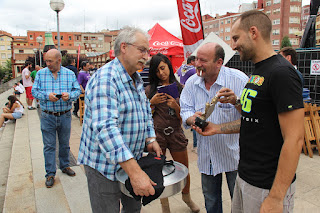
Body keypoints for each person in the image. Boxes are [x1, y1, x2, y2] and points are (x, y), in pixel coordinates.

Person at [194, 10, 304, 213]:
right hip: (245, 177)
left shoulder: (282, 73)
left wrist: (276, 196)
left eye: (235, 38)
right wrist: (217, 127)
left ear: (253, 32)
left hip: (267, 186)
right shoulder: (258, 71)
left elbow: (295, 139)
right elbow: (254, 120)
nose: (233, 45)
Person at [77, 27, 162, 213]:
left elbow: (145, 111)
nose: (146, 56)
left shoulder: (136, 78)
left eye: (147, 51)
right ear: (124, 47)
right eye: (142, 50)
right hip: (103, 167)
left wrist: (150, 138)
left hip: (132, 162)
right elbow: (106, 128)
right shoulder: (106, 79)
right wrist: (136, 172)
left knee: (133, 209)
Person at [180, 42, 248, 213]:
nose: (197, 64)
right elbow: (185, 109)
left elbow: (251, 116)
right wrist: (191, 119)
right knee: (211, 202)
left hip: (235, 156)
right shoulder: (191, 82)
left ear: (219, 62)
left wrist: (236, 102)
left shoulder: (239, 80)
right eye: (196, 59)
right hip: (207, 156)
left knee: (239, 203)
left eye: (203, 60)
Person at [145, 53, 200, 213]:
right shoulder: (150, 90)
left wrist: (176, 107)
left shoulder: (180, 88)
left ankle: (187, 198)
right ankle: (165, 207)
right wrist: (151, 103)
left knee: (184, 169)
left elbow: (186, 116)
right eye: (157, 71)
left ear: (169, 66)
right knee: (159, 172)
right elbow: (143, 116)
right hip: (158, 135)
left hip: (176, 133)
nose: (161, 73)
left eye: (163, 68)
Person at [32, 49, 81, 188]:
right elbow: (34, 91)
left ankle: (65, 166)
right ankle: (50, 173)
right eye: (46, 61)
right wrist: (47, 96)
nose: (47, 64)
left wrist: (69, 96)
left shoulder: (70, 74)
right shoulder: (41, 74)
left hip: (65, 115)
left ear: (59, 61)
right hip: (47, 115)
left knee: (65, 143)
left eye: (50, 61)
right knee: (49, 146)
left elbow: (77, 91)